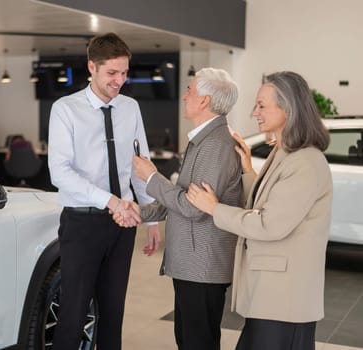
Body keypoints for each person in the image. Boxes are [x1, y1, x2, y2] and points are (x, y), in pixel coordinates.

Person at [186, 71, 333, 350]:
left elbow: (269, 224)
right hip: (272, 297)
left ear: (288, 108)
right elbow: (271, 203)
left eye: (261, 105)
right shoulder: (284, 153)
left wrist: (214, 208)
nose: (255, 112)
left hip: (285, 300)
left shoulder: (306, 162)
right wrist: (247, 171)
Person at [47, 32, 160, 350]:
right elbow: (60, 173)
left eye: (124, 73)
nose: (119, 80)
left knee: (113, 315)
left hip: (122, 227)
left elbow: (140, 165)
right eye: (112, 73)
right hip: (82, 224)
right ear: (91, 67)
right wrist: (111, 201)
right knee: (73, 316)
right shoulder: (65, 109)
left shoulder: (130, 108)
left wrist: (150, 217)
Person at [123, 67, 243, 350]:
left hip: (202, 266)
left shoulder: (215, 145)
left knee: (197, 343)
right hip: (194, 265)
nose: (184, 96)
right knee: (190, 340)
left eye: (189, 90)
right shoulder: (204, 139)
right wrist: (141, 212)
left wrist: (151, 177)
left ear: (204, 100)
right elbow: (178, 198)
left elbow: (193, 208)